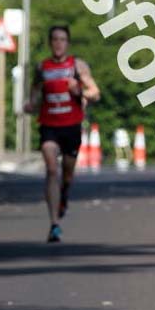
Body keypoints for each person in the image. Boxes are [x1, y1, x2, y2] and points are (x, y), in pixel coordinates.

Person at [24, 25, 100, 242]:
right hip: (49, 126)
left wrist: (79, 91)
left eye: (62, 39)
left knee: (67, 175)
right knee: (51, 169)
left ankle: (64, 195)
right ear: (50, 43)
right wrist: (31, 105)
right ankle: (54, 223)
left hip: (71, 127)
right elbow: (35, 93)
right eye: (55, 39)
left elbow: (95, 93)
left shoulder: (77, 66)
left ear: (68, 43)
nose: (58, 43)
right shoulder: (42, 67)